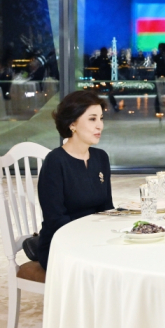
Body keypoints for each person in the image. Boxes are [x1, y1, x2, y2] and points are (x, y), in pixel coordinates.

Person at [35, 91, 114, 272]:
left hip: (94, 241)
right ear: (72, 124)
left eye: (101, 118)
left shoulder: (101, 157)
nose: (100, 126)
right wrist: (90, 238)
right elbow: (55, 219)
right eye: (92, 119)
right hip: (60, 245)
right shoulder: (55, 161)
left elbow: (107, 208)